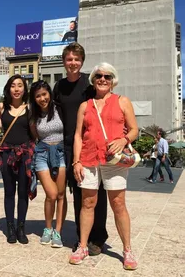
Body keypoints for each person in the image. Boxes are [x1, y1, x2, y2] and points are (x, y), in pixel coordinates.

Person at [69, 62, 139, 270]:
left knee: (118, 204)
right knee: (88, 204)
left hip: (113, 160)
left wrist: (124, 139)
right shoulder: (85, 105)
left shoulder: (122, 101)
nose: (102, 79)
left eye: (107, 76)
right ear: (93, 79)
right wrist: (76, 161)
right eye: (99, 75)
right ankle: (82, 246)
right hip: (89, 158)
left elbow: (134, 129)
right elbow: (78, 136)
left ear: (112, 81)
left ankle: (127, 250)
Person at [53, 42, 108, 255]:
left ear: (82, 61)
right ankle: (81, 236)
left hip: (91, 144)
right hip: (68, 145)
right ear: (64, 62)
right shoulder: (59, 86)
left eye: (76, 59)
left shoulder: (90, 84)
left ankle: (98, 237)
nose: (73, 63)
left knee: (97, 193)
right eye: (69, 59)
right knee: (78, 192)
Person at [0, 74, 35, 244]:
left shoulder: (30, 109)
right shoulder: (1, 107)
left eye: (20, 85)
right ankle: (10, 227)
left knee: (22, 193)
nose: (17, 89)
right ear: (8, 89)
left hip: (24, 154)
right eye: (13, 85)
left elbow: (34, 133)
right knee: (9, 192)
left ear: (24, 89)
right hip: (6, 153)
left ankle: (21, 227)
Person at [29, 80, 66, 248]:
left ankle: (57, 231)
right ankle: (47, 228)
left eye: (44, 94)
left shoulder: (60, 109)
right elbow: (35, 136)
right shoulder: (33, 115)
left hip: (61, 153)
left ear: (49, 94)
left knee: (60, 195)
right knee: (51, 194)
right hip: (42, 153)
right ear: (34, 98)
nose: (42, 98)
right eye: (38, 96)